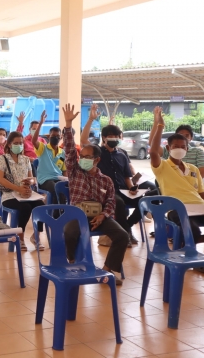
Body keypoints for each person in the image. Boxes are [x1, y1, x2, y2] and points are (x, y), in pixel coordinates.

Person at [62, 104, 129, 285]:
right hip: (77, 215)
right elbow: (69, 150)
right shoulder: (75, 172)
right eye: (81, 156)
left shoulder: (106, 180)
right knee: (69, 232)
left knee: (122, 235)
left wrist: (103, 215)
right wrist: (68, 125)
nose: (82, 159)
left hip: (99, 216)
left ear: (97, 160)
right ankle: (72, 262)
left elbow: (110, 202)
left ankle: (107, 270)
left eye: (87, 157)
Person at [150, 107, 204, 257]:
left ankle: (195, 242)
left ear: (187, 149)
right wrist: (160, 125)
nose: (179, 149)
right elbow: (153, 151)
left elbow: (202, 193)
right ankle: (191, 246)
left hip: (201, 208)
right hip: (177, 209)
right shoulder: (162, 167)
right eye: (175, 146)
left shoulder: (193, 168)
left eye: (183, 147)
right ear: (168, 148)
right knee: (192, 230)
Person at [82, 104, 146, 245]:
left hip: (123, 190)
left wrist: (131, 188)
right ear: (104, 138)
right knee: (119, 202)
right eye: (111, 136)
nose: (114, 138)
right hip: (106, 192)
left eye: (116, 136)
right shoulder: (98, 152)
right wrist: (91, 120)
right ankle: (126, 234)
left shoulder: (122, 154)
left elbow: (127, 177)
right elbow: (83, 140)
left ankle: (127, 226)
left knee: (146, 201)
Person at [0, 131, 44, 251]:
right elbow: (0, 179)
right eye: (16, 143)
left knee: (41, 206)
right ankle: (20, 237)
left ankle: (36, 236)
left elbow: (31, 178)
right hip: (9, 195)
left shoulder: (25, 159)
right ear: (9, 144)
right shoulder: (2, 158)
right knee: (25, 207)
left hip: (25, 193)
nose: (19, 145)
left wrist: (29, 184)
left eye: (21, 143)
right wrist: (18, 189)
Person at [31, 110, 66, 205]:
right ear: (49, 136)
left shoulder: (62, 152)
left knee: (65, 188)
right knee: (56, 189)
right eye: (53, 135)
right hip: (45, 179)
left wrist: (66, 179)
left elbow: (64, 170)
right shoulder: (43, 148)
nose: (55, 137)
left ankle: (62, 210)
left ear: (61, 137)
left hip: (58, 178)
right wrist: (40, 123)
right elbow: (34, 141)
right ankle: (56, 211)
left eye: (57, 136)